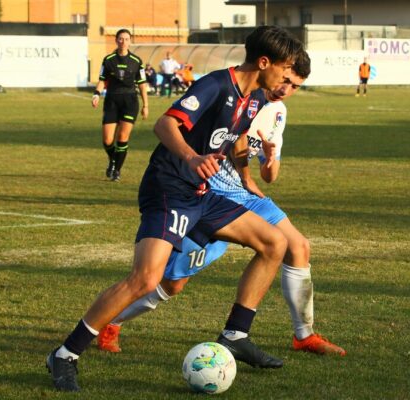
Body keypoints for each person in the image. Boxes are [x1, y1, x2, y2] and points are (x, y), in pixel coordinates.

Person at [46, 25, 302, 392]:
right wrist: (193, 157)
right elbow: (165, 124)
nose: (287, 78)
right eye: (285, 69)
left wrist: (246, 173)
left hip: (202, 193)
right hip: (168, 187)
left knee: (274, 243)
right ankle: (65, 354)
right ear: (264, 62)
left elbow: (237, 136)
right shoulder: (215, 85)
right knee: (145, 279)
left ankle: (235, 334)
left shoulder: (257, 99)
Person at [97, 49, 346, 357]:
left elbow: (269, 173)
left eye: (294, 86)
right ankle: (112, 321)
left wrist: (255, 170)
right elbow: (223, 134)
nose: (285, 89)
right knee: (172, 282)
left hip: (246, 195)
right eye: (286, 79)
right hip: (211, 192)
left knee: (298, 247)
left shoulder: (278, 112)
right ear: (272, 67)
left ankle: (303, 334)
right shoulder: (239, 93)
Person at [91, 28, 149, 182]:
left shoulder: (137, 61)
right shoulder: (108, 59)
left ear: (130, 41)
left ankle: (116, 170)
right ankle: (113, 160)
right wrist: (96, 94)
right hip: (112, 101)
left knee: (123, 137)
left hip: (130, 101)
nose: (123, 42)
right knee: (108, 140)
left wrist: (146, 105)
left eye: (126, 39)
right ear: (116, 40)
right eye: (121, 39)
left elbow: (142, 85)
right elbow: (102, 80)